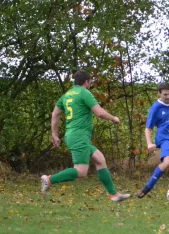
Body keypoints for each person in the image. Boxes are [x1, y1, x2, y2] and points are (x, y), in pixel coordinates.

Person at [41, 70, 130, 202]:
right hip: (79, 136)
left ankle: (114, 195)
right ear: (86, 82)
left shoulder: (67, 95)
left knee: (100, 160)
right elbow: (99, 113)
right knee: (81, 172)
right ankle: (48, 180)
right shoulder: (84, 93)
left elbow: (55, 114)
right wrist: (113, 118)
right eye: (90, 81)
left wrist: (54, 134)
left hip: (74, 135)